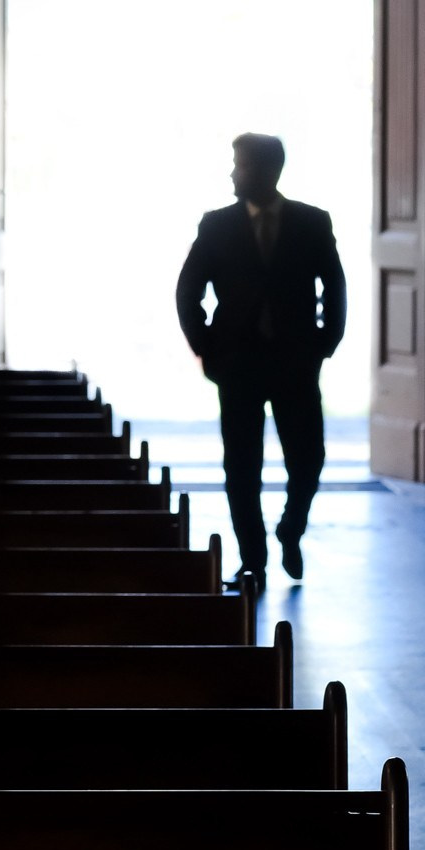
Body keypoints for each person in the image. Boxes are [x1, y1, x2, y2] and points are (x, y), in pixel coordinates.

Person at [175, 133, 346, 589]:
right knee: (242, 467)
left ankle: (291, 529)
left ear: (269, 171)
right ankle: (253, 559)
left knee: (309, 458)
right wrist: (205, 345)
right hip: (238, 363)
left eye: (241, 165)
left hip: (295, 362)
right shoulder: (216, 225)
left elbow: (334, 285)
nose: (234, 173)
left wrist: (323, 344)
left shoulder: (312, 222)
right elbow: (188, 289)